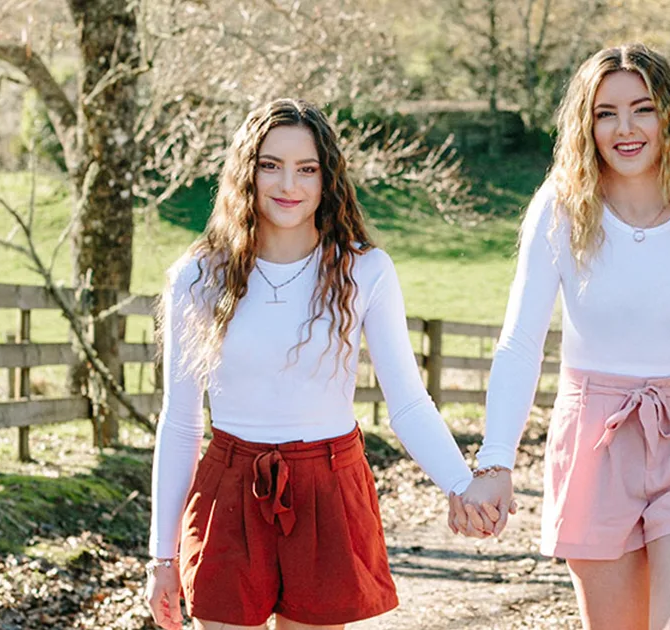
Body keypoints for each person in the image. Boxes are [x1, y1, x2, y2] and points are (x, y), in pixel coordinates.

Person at [454, 44, 670, 629]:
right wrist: (496, 462)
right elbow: (519, 344)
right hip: (593, 440)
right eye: (606, 113)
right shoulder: (559, 213)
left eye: (643, 109)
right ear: (586, 126)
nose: (625, 128)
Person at [145, 98, 478, 630]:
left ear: (328, 179)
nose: (288, 185)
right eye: (270, 165)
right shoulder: (198, 276)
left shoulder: (364, 271)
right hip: (230, 487)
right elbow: (180, 422)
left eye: (306, 169)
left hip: (328, 486)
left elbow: (409, 402)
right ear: (246, 172)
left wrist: (461, 483)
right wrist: (161, 558)